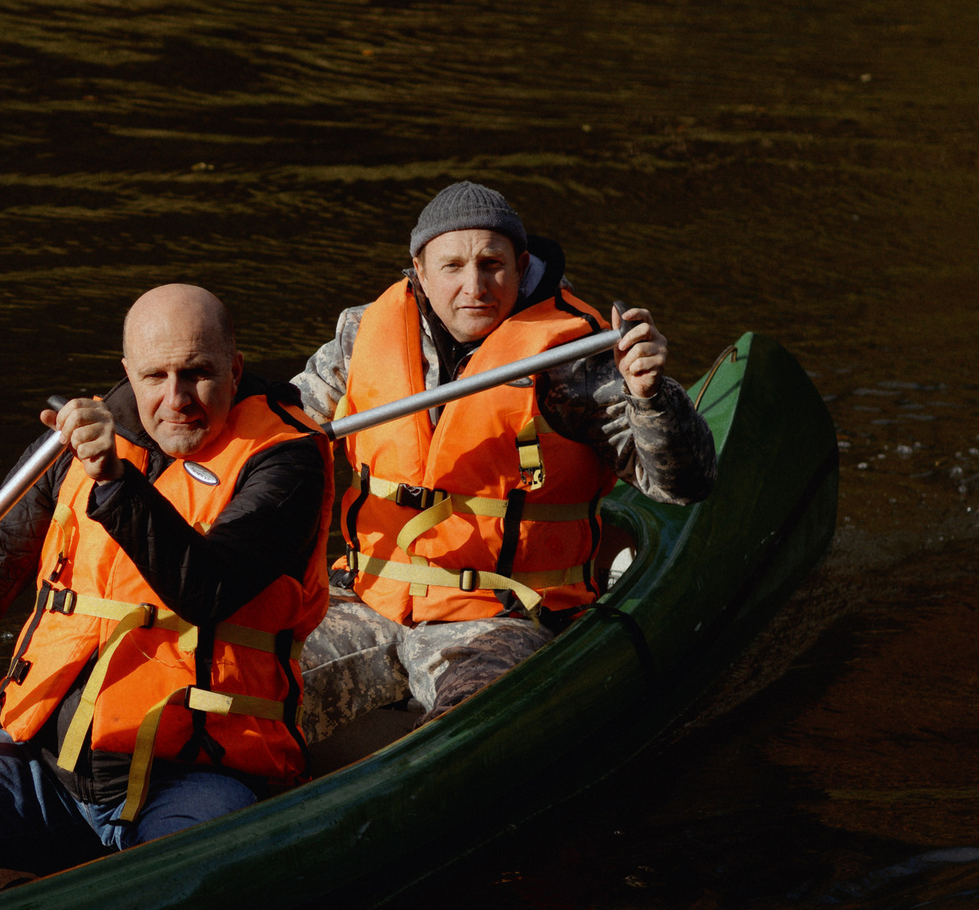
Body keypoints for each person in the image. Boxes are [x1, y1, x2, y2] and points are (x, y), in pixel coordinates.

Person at [289, 181, 716, 722]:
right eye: (452, 267)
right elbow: (282, 428)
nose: (475, 287)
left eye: (492, 265)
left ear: (521, 265)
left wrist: (650, 396)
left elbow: (683, 485)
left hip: (503, 616)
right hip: (371, 598)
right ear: (419, 271)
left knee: (472, 718)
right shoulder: (361, 332)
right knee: (249, 674)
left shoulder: (573, 356)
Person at [0, 285, 334, 872]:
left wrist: (113, 481)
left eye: (197, 373)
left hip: (196, 774)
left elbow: (209, 589)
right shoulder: (70, 446)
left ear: (235, 370)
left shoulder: (286, 460)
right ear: (128, 373)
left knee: (180, 874)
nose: (177, 399)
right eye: (155, 377)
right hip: (44, 762)